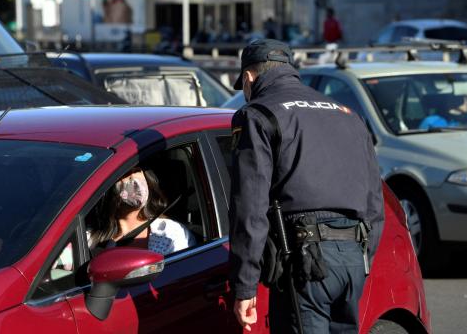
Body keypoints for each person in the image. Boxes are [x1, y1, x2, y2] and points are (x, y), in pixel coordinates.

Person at [228, 39, 384, 333]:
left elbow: (249, 206)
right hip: (352, 258)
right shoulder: (347, 115)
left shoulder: (258, 115)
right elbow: (375, 202)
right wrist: (362, 257)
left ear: (249, 78)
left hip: (305, 263)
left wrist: (245, 285)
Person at [88, 167, 195, 255]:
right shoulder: (91, 239)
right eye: (124, 174)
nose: (133, 179)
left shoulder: (171, 233)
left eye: (137, 171)